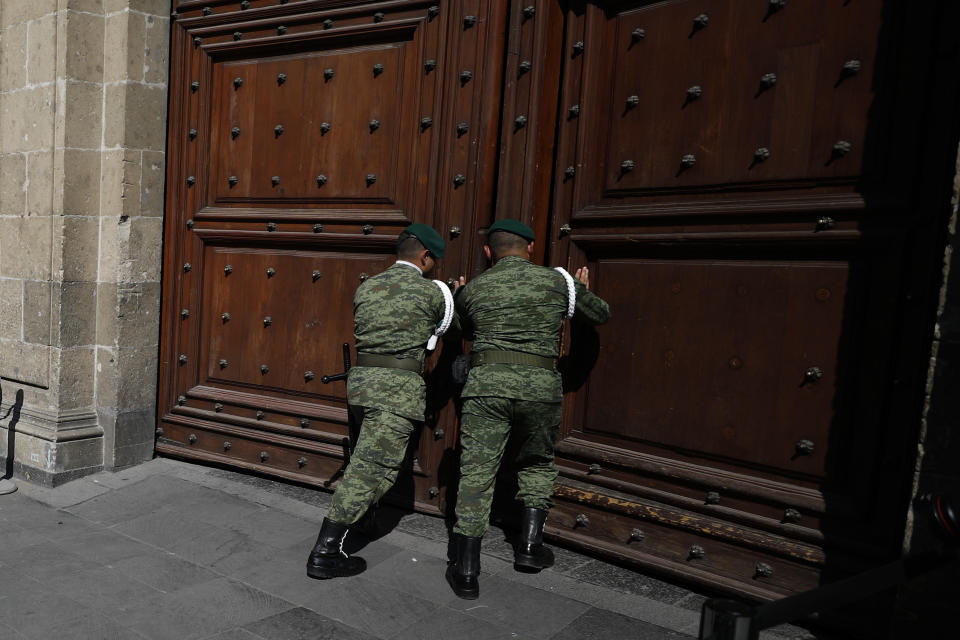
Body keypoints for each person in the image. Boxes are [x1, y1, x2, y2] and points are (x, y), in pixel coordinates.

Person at [446, 219, 610, 599]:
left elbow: (464, 330)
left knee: (476, 472)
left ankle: (467, 569)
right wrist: (579, 292)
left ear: (489, 252)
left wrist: (459, 297)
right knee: (536, 462)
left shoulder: (475, 288)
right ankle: (530, 548)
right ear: (531, 248)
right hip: (540, 388)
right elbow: (601, 314)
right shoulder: (558, 282)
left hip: (486, 388)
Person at [306, 223, 463, 580]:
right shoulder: (432, 293)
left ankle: (363, 521)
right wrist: (454, 294)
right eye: (433, 261)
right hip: (396, 391)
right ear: (426, 257)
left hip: (362, 386)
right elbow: (454, 329)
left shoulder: (368, 286)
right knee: (372, 468)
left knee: (366, 456)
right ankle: (325, 552)